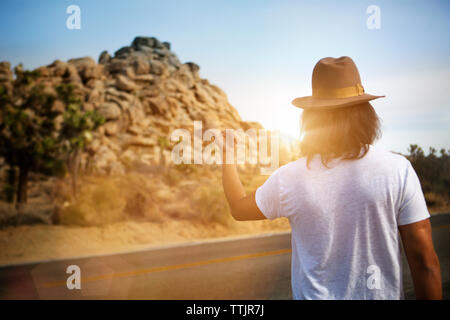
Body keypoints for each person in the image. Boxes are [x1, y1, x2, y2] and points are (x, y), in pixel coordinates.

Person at [221, 56, 442, 300]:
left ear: (313, 118)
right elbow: (425, 263)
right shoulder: (398, 170)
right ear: (366, 113)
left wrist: (227, 154)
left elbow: (239, 208)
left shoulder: (290, 177)